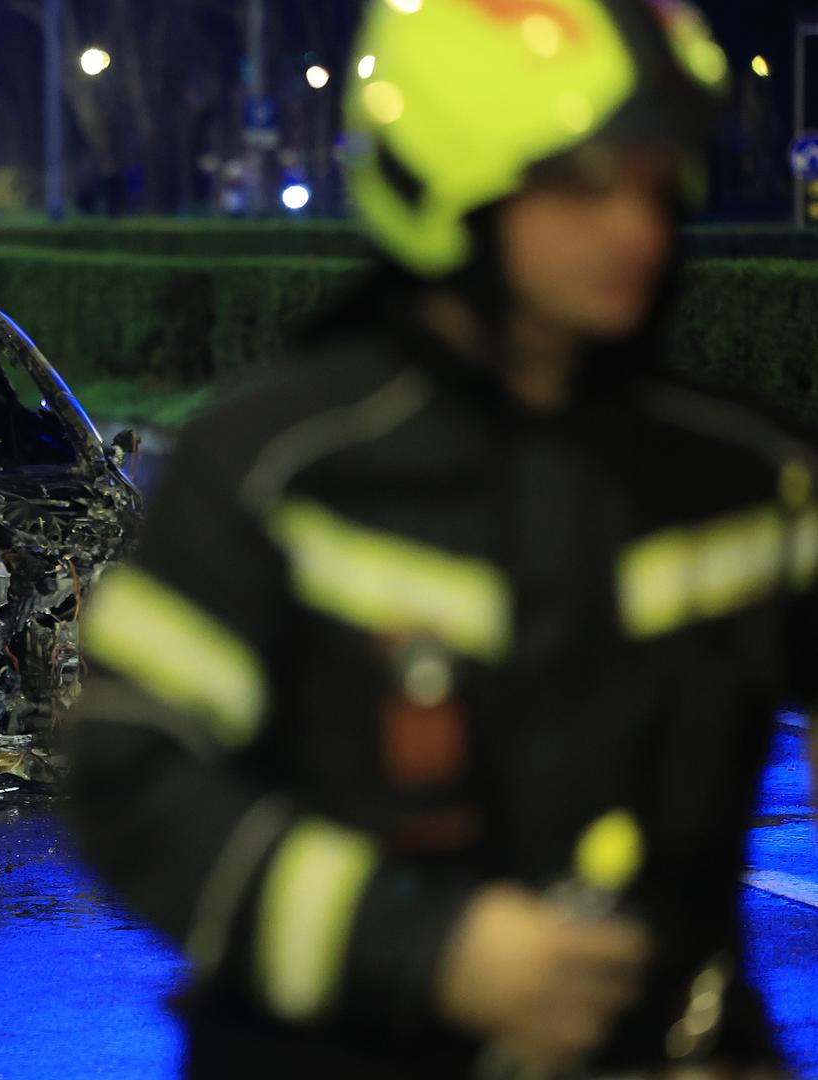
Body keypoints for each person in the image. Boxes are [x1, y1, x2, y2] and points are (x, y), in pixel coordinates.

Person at [68, 1, 800, 1077]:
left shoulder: (746, 471)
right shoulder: (277, 468)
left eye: (651, 182)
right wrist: (426, 948)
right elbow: (128, 777)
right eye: (580, 186)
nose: (635, 231)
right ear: (445, 191)